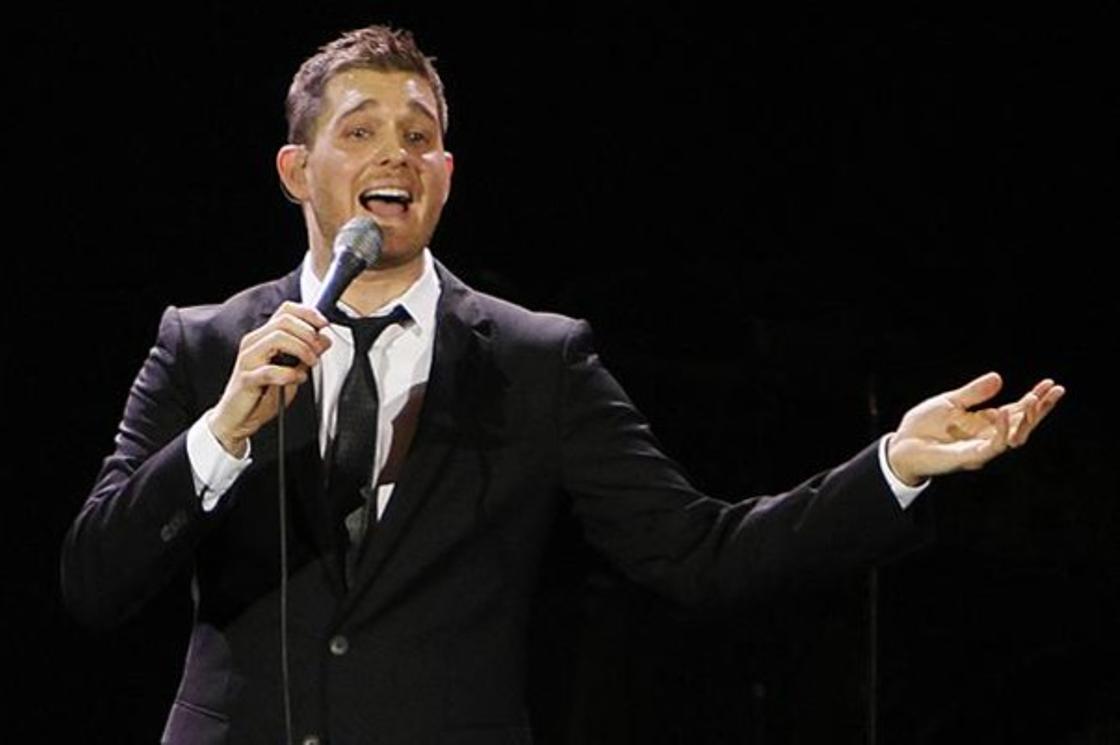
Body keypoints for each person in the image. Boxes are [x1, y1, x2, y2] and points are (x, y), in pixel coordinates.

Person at [60, 26, 1065, 745]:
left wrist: (893, 465)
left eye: (419, 135)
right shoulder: (207, 345)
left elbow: (697, 554)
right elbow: (95, 582)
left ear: (445, 173)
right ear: (295, 169)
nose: (396, 153)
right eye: (360, 131)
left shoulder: (537, 360)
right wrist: (219, 436)